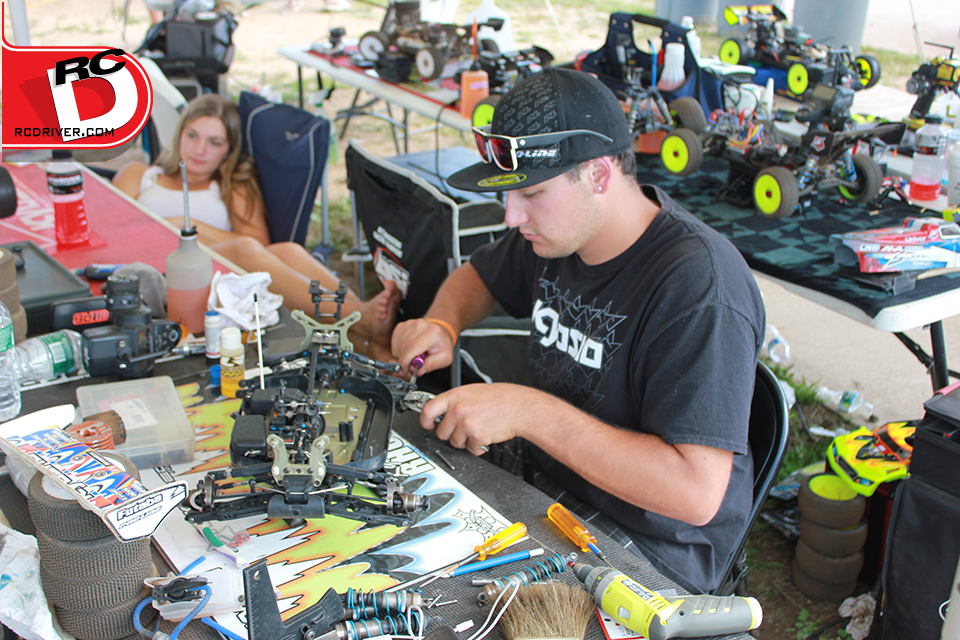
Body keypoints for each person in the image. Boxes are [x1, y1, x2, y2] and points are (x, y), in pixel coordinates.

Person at [388, 68, 766, 594]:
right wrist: (442, 322)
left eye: (532, 193)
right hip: (548, 486)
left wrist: (527, 411)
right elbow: (479, 276)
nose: (511, 215)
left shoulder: (699, 286)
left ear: (598, 175)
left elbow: (694, 493)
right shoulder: (557, 233)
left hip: (651, 545)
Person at [113, 94, 399, 358]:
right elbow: (114, 229)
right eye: (192, 135)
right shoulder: (141, 174)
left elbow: (261, 246)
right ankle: (362, 320)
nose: (199, 149)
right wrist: (172, 230)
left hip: (213, 273)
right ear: (179, 134)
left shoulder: (230, 185)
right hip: (158, 268)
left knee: (288, 250)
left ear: (229, 149)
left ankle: (373, 341)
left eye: (215, 142)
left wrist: (189, 228)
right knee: (244, 248)